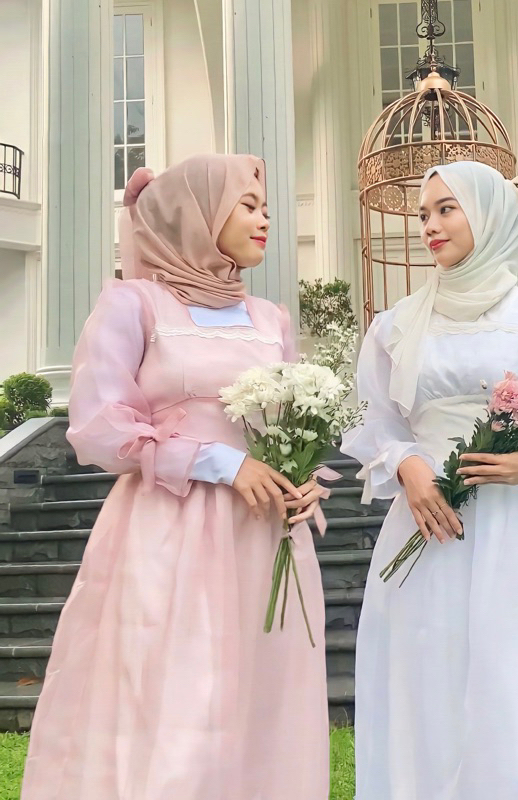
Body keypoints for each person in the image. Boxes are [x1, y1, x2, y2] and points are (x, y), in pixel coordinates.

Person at [21, 155, 329, 800]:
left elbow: (292, 418)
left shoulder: (270, 318)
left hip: (264, 533)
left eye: (266, 208)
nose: (264, 220)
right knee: (178, 693)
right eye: (248, 205)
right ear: (197, 214)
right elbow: (99, 423)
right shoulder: (133, 303)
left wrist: (306, 478)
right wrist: (222, 462)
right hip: (169, 528)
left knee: (263, 694)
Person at [341, 160, 518, 799]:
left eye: (447, 209)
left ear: (490, 214)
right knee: (429, 674)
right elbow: (372, 420)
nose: (429, 226)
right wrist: (408, 465)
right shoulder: (394, 324)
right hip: (429, 523)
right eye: (424, 214)